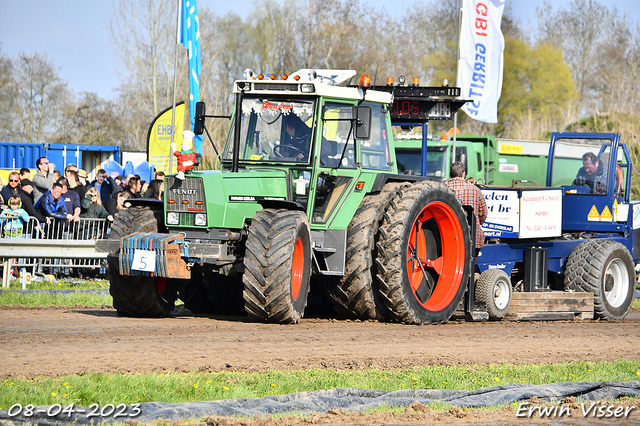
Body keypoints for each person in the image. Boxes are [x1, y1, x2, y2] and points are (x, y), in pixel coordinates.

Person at [446, 161, 488, 255]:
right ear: (463, 174)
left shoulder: (443, 188)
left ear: (450, 174)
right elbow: (483, 214)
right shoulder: (475, 190)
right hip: (473, 239)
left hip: (448, 239)